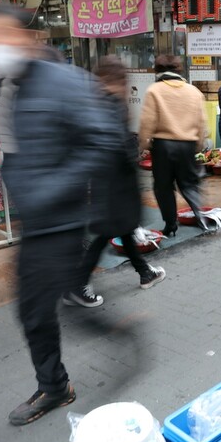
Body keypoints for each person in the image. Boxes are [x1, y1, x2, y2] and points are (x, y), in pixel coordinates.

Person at [0, 5, 122, 425]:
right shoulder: (10, 84)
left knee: (43, 307)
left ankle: (66, 377)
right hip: (38, 220)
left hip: (61, 220)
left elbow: (104, 140)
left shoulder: (65, 81)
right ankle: (58, 382)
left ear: (20, 36)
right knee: (38, 308)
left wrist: (52, 189)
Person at [71, 57, 166, 308]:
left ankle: (145, 272)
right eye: (123, 81)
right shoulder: (108, 104)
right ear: (113, 80)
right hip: (114, 182)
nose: (126, 86)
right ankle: (78, 284)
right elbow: (113, 143)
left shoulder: (96, 103)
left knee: (124, 227)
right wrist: (133, 153)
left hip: (110, 181)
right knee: (106, 233)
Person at [139, 55, 212, 235]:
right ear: (179, 70)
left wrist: (143, 146)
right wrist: (198, 145)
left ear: (157, 70)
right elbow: (201, 123)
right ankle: (199, 216)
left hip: (163, 147)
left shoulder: (154, 91)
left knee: (163, 187)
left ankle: (171, 225)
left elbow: (147, 123)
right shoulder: (193, 91)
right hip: (187, 145)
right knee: (188, 183)